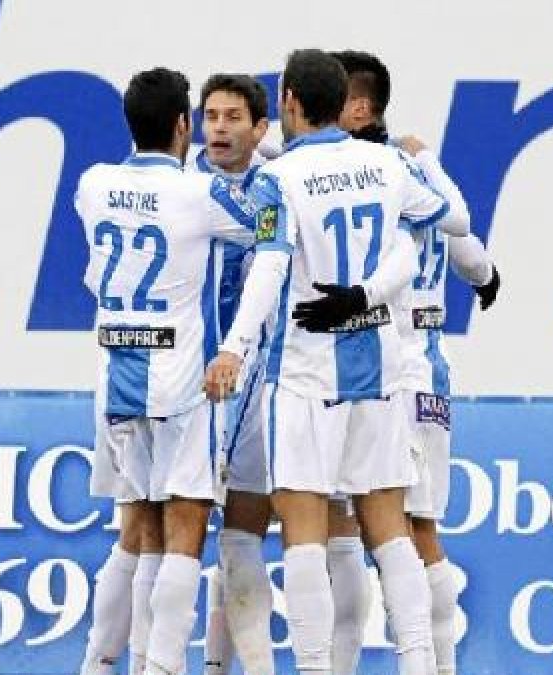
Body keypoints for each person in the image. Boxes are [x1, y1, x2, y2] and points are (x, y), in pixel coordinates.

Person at [204, 49, 469, 675]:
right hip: (378, 365)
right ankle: (420, 665)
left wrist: (233, 346)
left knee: (303, 530)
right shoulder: (385, 163)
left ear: (290, 102)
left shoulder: (280, 179)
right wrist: (370, 293)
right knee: (389, 527)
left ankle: (317, 669)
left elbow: (270, 264)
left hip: (306, 370)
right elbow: (444, 222)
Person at [326, 50, 501, 675]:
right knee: (407, 526)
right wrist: (484, 276)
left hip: (383, 360)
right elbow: (464, 242)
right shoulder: (411, 171)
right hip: (424, 362)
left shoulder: (357, 172)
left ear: (357, 106)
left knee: (355, 524)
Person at [76, 66, 253, 675]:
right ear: (184, 125)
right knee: (186, 525)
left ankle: (105, 664)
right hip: (181, 378)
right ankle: (162, 665)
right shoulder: (198, 193)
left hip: (116, 373)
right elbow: (262, 225)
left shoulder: (92, 183)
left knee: (141, 525)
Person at [186, 73, 277, 675]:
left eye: (233, 117)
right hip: (183, 383)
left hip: (256, 381)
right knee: (167, 538)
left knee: (244, 530)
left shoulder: (277, 187)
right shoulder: (178, 185)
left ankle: (236, 668)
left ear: (258, 127)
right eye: (211, 115)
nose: (219, 127)